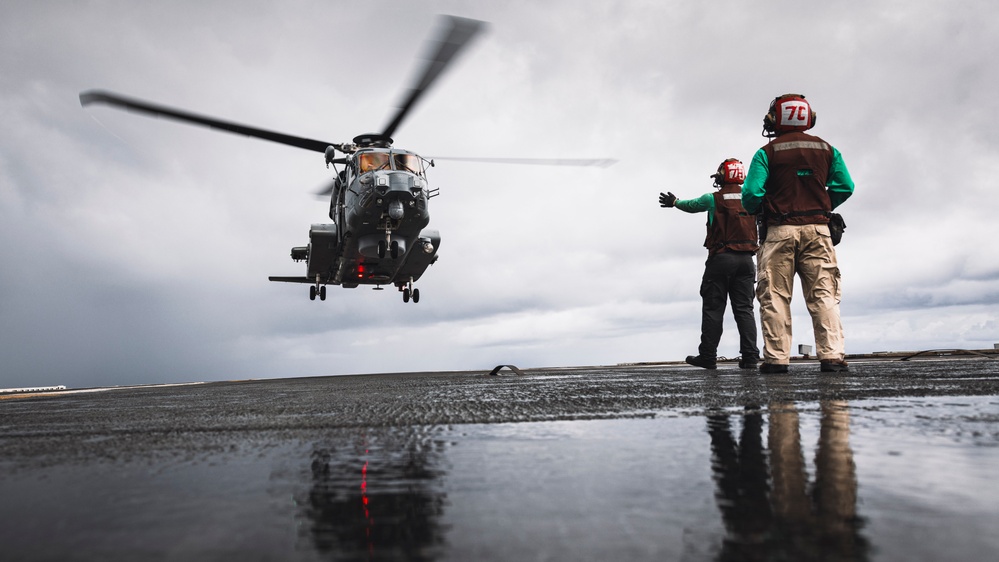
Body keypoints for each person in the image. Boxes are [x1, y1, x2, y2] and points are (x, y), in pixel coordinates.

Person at [741, 93, 855, 374]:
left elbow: (751, 194)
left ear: (774, 119)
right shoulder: (828, 149)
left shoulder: (767, 152)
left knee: (775, 296)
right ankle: (832, 356)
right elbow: (845, 186)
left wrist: (764, 209)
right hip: (819, 230)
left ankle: (777, 359)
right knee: (824, 294)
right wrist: (820, 206)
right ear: (808, 117)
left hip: (780, 231)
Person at [660, 158, 760, 369]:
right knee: (745, 309)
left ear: (722, 176)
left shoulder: (713, 199)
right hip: (746, 261)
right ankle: (750, 357)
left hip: (721, 259)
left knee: (714, 308)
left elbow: (691, 205)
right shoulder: (753, 198)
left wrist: (675, 202)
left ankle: (708, 356)